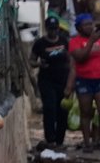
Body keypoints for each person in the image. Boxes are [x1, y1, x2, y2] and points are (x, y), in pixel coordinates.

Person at [64, 14, 100, 151]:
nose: (90, 27)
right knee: (86, 112)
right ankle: (87, 142)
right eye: (86, 25)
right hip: (84, 80)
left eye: (91, 24)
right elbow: (80, 58)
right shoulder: (74, 42)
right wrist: (90, 42)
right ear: (78, 28)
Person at [29, 17, 71, 149]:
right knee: (50, 109)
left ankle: (60, 140)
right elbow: (31, 60)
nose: (53, 32)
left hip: (62, 80)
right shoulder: (40, 43)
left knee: (62, 111)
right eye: (51, 29)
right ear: (47, 29)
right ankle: (50, 138)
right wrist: (39, 64)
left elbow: (70, 60)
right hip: (47, 80)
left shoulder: (64, 41)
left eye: (55, 29)